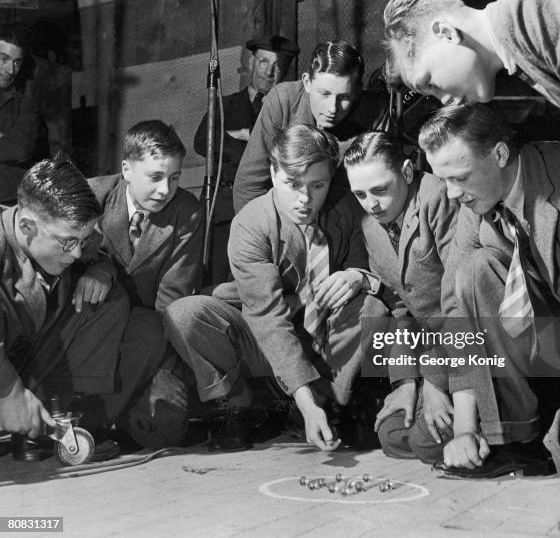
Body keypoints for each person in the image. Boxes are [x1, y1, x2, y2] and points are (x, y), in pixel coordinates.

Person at [382, 0, 560, 318]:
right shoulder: (525, 62)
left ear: (445, 33)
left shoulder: (529, 6)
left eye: (430, 81)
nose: (444, 100)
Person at [419, 104, 560, 495]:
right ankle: (516, 440)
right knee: (473, 271)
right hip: (552, 344)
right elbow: (458, 315)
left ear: (501, 154)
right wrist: (466, 429)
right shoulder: (475, 203)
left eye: (459, 177)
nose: (452, 194)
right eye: (444, 181)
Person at [165, 124, 387, 452]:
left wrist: (358, 276)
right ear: (272, 173)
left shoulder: (347, 208)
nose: (304, 199)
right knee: (183, 313)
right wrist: (304, 400)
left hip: (324, 339)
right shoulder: (251, 225)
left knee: (373, 309)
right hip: (263, 336)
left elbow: (374, 267)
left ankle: (333, 404)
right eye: (292, 184)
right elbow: (267, 319)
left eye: (318, 185)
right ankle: (238, 406)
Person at [0, 155, 129, 456]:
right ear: (27, 226)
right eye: (68, 242)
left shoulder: (68, 235)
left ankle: (57, 416)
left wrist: (102, 270)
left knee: (111, 298)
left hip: (20, 352)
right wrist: (7, 392)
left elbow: (94, 252)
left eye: (82, 241)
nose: (76, 253)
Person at [86, 120, 204, 449]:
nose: (166, 189)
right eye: (155, 177)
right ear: (126, 169)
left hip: (145, 335)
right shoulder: (90, 195)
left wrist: (157, 374)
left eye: (175, 177)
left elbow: (171, 305)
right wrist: (99, 267)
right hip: (86, 325)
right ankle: (88, 428)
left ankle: (110, 412)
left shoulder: (187, 213)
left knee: (165, 427)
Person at [343, 131, 459, 461]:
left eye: (380, 189)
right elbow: (399, 308)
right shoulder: (370, 222)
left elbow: (461, 302)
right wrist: (406, 382)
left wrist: (435, 385)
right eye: (360, 194)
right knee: (392, 436)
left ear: (407, 172)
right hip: (431, 351)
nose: (371, 203)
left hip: (474, 341)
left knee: (425, 442)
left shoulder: (440, 198)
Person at [232, 39, 387, 213]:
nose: (332, 109)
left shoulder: (375, 112)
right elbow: (249, 186)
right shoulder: (282, 101)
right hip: (285, 218)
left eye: (344, 97)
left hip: (345, 220)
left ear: (358, 92)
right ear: (307, 82)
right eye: (324, 94)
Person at [193, 34, 299, 184]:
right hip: (223, 198)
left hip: (265, 197)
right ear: (251, 63)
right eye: (263, 62)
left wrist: (243, 134)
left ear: (286, 72)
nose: (268, 72)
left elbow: (289, 150)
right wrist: (257, 149)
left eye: (277, 66)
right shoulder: (224, 104)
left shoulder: (290, 111)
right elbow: (203, 141)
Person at [0, 27, 40, 203]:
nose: (11, 70)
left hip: (9, 199)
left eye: (17, 62)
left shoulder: (25, 102)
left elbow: (21, 149)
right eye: (3, 60)